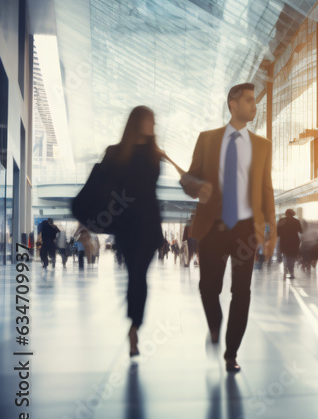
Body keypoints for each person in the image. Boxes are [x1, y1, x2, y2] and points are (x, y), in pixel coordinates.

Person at [181, 83, 276, 373]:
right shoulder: (208, 140)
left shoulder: (263, 145)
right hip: (213, 226)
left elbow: (267, 190)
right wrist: (200, 188)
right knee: (208, 288)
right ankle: (214, 324)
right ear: (232, 104)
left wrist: (270, 233)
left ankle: (231, 352)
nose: (254, 106)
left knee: (242, 292)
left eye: (255, 102)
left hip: (246, 229)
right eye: (249, 101)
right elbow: (188, 180)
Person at [99, 106, 166, 357]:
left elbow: (149, 188)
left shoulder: (155, 155)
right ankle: (134, 326)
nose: (153, 126)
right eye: (150, 121)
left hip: (148, 226)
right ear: (137, 122)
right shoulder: (115, 153)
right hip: (126, 226)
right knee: (135, 275)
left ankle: (134, 325)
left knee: (139, 275)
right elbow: (105, 184)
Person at [277, 209, 302, 279]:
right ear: (293, 214)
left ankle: (285, 272)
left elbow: (277, 233)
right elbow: (301, 231)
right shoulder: (296, 221)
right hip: (294, 242)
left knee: (285, 257)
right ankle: (292, 273)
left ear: (285, 213)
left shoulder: (281, 221)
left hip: (284, 241)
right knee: (292, 259)